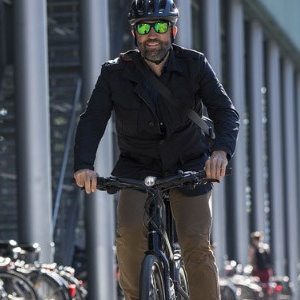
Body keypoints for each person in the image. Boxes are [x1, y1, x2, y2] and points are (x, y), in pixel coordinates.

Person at [72, 0, 239, 299]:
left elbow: (225, 112)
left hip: (190, 168)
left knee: (196, 245)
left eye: (160, 26)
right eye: (144, 27)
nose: (153, 34)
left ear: (172, 30)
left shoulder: (194, 65)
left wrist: (220, 153)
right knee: (129, 236)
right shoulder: (114, 73)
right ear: (134, 33)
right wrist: (84, 164)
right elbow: (92, 121)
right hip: (137, 169)